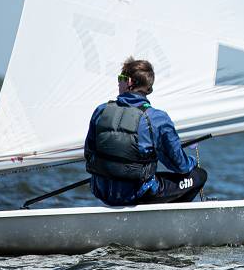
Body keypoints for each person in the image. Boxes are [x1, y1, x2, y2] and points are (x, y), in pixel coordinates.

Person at [84, 57, 208, 206]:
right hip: (138, 194)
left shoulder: (101, 111)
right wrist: (192, 162)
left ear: (129, 82)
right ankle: (169, 217)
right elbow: (180, 166)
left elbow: (88, 153)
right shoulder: (158, 118)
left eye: (120, 78)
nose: (118, 82)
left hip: (101, 191)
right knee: (199, 175)